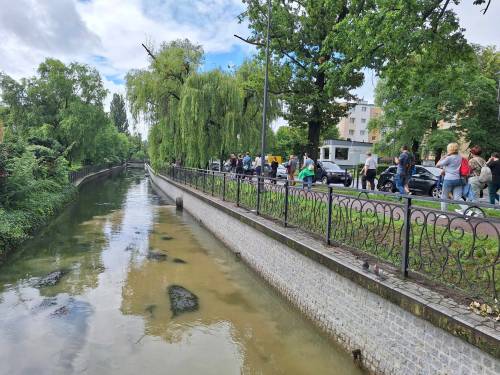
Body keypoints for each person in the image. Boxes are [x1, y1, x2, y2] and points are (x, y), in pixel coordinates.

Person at [455, 145, 486, 215]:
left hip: (474, 180)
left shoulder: (472, 160)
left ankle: (479, 213)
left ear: (472, 153)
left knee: (474, 197)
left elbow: (468, 171)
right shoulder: (483, 160)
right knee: (470, 196)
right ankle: (465, 210)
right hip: (482, 180)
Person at [436, 143, 463, 213]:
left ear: (450, 149)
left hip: (449, 179)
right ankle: (468, 211)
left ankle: (443, 214)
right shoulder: (460, 157)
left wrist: (444, 156)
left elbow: (437, 165)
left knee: (444, 197)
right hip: (458, 179)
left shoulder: (449, 158)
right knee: (458, 198)